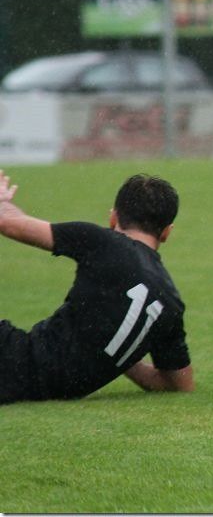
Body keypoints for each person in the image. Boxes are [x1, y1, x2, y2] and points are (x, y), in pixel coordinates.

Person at [0, 172, 193, 404]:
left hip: (11, 360)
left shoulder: (101, 241)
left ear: (113, 217)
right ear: (166, 232)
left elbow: (8, 224)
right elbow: (180, 383)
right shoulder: (170, 302)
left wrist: (3, 201)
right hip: (39, 388)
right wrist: (117, 353)